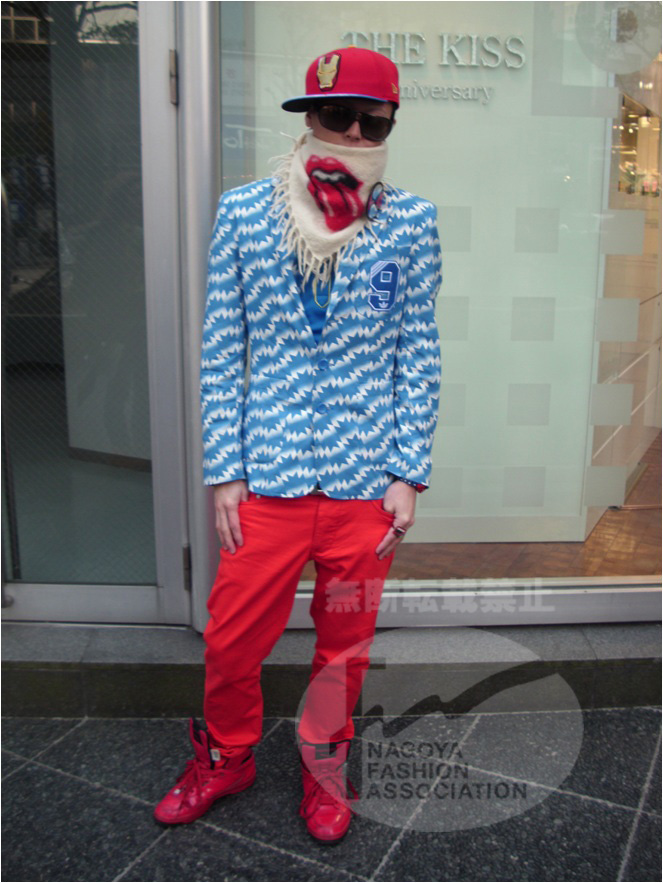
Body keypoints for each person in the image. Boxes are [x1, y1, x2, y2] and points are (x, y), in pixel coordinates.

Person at [154, 46, 442, 842]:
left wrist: (407, 472)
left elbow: (417, 352)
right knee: (229, 638)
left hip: (363, 484)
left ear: (388, 125)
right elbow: (222, 349)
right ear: (309, 117)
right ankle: (227, 755)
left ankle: (322, 764)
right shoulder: (245, 213)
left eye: (372, 122)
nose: (352, 133)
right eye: (335, 115)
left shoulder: (411, 221)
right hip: (267, 480)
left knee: (343, 646)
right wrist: (224, 471)